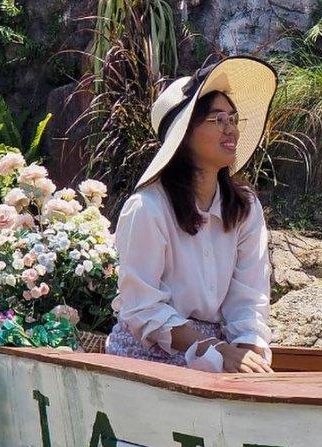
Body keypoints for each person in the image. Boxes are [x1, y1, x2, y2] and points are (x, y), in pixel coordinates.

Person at [106, 56, 278, 374]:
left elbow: (249, 297)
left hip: (218, 349)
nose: (232, 130)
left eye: (233, 119)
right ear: (185, 136)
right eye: (218, 120)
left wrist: (248, 353)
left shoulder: (244, 208)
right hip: (150, 352)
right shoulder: (148, 208)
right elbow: (143, 308)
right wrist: (215, 350)